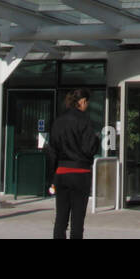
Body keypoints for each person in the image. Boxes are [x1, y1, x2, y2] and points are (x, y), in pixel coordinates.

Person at [49, 88, 101, 240]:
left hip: (62, 172)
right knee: (77, 220)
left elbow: (52, 150)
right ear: (82, 101)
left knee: (61, 218)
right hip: (80, 172)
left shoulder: (58, 121)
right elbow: (88, 148)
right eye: (87, 103)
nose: (87, 106)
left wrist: (53, 175)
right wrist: (96, 140)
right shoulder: (85, 120)